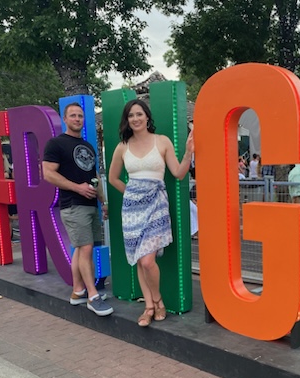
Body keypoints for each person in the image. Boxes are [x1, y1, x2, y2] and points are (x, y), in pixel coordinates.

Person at [108, 99, 194, 327]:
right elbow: (113, 178)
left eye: (139, 114)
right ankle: (149, 307)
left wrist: (187, 154)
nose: (135, 119)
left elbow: (178, 173)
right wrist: (131, 193)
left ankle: (158, 301)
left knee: (147, 261)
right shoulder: (122, 146)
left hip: (156, 205)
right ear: (127, 120)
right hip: (132, 209)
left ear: (147, 116)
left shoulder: (162, 141)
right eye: (131, 116)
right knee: (139, 259)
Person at [42, 102, 113, 317]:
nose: (77, 119)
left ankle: (77, 291)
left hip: (90, 205)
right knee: (86, 249)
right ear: (65, 119)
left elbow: (93, 178)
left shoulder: (88, 146)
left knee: (82, 250)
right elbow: (48, 174)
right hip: (73, 206)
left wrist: (103, 201)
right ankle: (93, 296)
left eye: (80, 116)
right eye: (73, 115)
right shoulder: (55, 144)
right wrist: (77, 188)